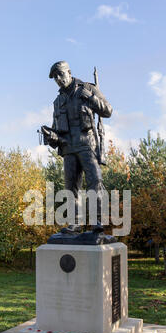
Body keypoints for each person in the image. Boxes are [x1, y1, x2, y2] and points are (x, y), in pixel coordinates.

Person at [41, 61, 112, 233]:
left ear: (69, 72)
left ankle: (97, 222)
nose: (58, 79)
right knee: (71, 187)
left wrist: (91, 98)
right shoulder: (58, 101)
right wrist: (51, 136)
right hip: (69, 149)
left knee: (95, 182)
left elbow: (108, 111)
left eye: (60, 74)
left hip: (87, 145)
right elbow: (56, 128)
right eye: (55, 77)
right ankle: (75, 223)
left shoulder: (87, 88)